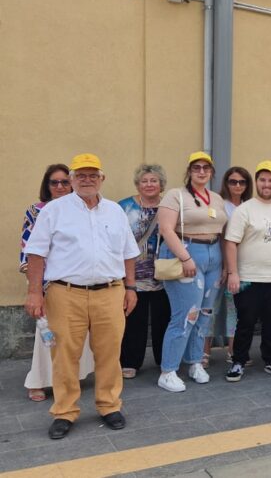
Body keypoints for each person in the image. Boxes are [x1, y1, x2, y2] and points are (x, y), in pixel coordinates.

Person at [24, 153, 139, 439]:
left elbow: (128, 254)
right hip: (65, 293)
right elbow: (36, 253)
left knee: (110, 353)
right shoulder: (54, 210)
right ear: (72, 179)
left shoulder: (115, 211)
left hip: (110, 292)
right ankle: (64, 411)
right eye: (81, 175)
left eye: (93, 175)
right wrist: (34, 292)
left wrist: (131, 287)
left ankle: (109, 405)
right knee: (65, 355)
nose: (87, 180)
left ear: (102, 179)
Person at [21, 164, 94, 402]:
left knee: (75, 334)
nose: (61, 187)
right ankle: (39, 381)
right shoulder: (37, 210)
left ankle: (74, 377)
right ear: (47, 185)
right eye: (55, 182)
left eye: (65, 182)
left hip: (77, 283)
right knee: (47, 335)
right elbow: (28, 249)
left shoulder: (82, 209)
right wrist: (35, 287)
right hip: (47, 283)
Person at [156, 151, 228, 392]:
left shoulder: (216, 199)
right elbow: (166, 229)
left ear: (211, 172)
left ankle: (195, 362)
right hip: (186, 252)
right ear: (189, 171)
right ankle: (168, 370)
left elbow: (222, 231)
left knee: (205, 313)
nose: (201, 171)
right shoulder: (175, 195)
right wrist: (185, 257)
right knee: (186, 314)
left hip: (213, 255)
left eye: (206, 168)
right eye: (196, 167)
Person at [224, 161, 271, 382]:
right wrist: (233, 273)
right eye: (262, 179)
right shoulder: (244, 210)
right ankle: (238, 361)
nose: (267, 184)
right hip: (248, 277)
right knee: (245, 321)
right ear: (257, 182)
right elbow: (231, 243)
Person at [118, 164, 171, 379]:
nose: (149, 185)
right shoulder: (124, 207)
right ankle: (130, 361)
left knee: (164, 320)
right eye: (144, 181)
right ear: (138, 184)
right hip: (133, 275)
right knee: (133, 320)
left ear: (161, 185)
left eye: (154, 181)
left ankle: (164, 359)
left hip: (164, 274)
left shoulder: (170, 206)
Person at [205, 166, 252, 367]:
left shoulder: (250, 206)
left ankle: (234, 351)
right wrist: (225, 266)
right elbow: (221, 237)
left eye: (242, 182)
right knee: (209, 308)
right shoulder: (219, 205)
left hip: (242, 264)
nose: (238, 185)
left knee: (236, 310)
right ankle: (203, 352)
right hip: (217, 263)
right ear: (226, 183)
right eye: (233, 181)